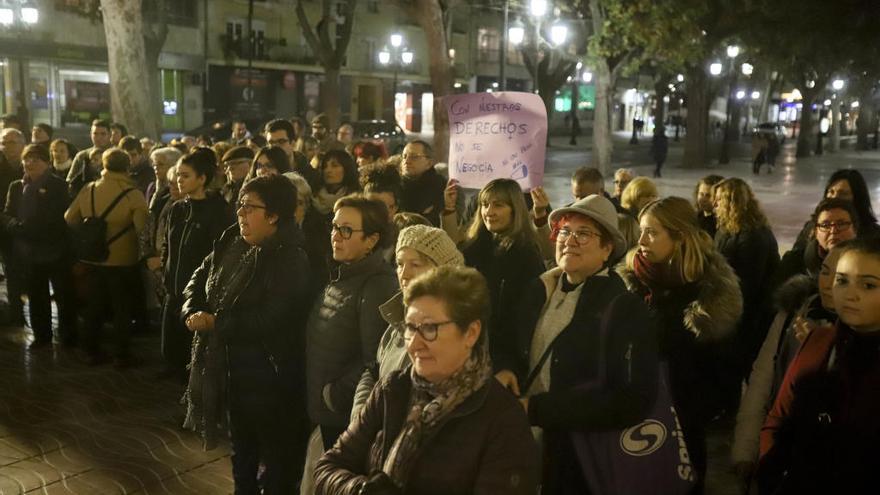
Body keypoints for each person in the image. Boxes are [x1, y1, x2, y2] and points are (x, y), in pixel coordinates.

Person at [314, 266, 538, 495]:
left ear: (471, 333)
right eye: (411, 328)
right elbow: (327, 468)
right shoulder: (393, 390)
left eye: (430, 328)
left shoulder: (503, 420)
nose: (413, 344)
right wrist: (360, 489)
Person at [496, 194, 658, 492]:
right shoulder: (538, 289)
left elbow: (632, 399)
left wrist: (538, 408)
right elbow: (509, 341)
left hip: (579, 459)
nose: (569, 240)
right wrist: (506, 367)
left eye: (583, 234)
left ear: (607, 249)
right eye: (565, 231)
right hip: (523, 448)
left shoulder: (623, 307)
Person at [182, 175, 312, 493]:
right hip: (233, 370)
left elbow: (270, 318)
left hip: (269, 376)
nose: (240, 213)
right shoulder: (232, 241)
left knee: (274, 461)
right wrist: (190, 308)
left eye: (250, 207)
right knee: (241, 454)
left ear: (274, 215)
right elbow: (200, 277)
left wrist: (215, 323)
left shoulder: (290, 258)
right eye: (240, 204)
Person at [618, 197, 742, 490]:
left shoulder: (709, 295)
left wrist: (691, 408)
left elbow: (722, 369)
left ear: (680, 236)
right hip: (632, 413)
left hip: (683, 420)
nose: (642, 240)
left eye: (652, 232)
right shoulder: (631, 280)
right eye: (641, 231)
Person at [758, 238, 880, 494]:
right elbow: (779, 414)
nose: (850, 294)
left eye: (868, 285)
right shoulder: (819, 340)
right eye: (842, 280)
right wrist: (771, 469)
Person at [732, 245, 841, 490]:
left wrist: (821, 350)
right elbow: (763, 381)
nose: (830, 282)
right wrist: (747, 449)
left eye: (844, 277)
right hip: (783, 460)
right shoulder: (795, 312)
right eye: (825, 271)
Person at [306, 194, 398, 450]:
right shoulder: (343, 273)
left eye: (346, 230)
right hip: (323, 408)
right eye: (334, 226)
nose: (335, 235)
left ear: (371, 240)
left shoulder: (377, 284)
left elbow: (375, 360)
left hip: (343, 415)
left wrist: (333, 396)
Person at [351, 224, 465, 420]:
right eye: (400, 264)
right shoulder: (397, 319)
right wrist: (360, 417)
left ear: (443, 270)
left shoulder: (453, 331)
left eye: (415, 265)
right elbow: (374, 372)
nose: (404, 274)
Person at [441, 178, 545, 368]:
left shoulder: (526, 254)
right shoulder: (472, 246)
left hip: (501, 357)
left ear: (515, 209)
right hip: (466, 348)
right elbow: (448, 256)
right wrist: (449, 210)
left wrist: (507, 364)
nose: (489, 212)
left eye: (498, 205)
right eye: (485, 204)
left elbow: (524, 318)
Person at [64, 148, 149, 367]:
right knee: (122, 308)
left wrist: (90, 232)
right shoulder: (133, 194)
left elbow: (69, 217)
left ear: (103, 165)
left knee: (94, 305)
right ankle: (122, 355)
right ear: (127, 167)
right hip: (123, 259)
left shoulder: (89, 189)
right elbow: (142, 229)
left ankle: (90, 350)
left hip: (93, 257)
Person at [159, 149, 234, 381]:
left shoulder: (218, 210)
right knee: (170, 344)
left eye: (186, 175)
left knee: (193, 348)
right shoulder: (177, 208)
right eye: (178, 175)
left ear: (202, 179)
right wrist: (164, 269)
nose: (179, 180)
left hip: (198, 291)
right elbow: (167, 244)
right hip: (173, 286)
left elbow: (219, 254)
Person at [3, 144, 75, 349]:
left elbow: (60, 216)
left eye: (36, 159)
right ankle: (42, 335)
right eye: (27, 159)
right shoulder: (16, 186)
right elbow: (7, 212)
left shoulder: (58, 185)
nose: (30, 163)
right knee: (36, 295)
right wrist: (14, 225)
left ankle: (68, 336)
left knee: (63, 295)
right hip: (27, 250)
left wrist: (33, 227)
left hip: (55, 249)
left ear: (47, 162)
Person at [713, 178, 780, 396]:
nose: (715, 204)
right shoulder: (727, 228)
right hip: (730, 308)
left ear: (732, 202)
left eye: (719, 199)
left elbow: (750, 283)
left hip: (749, 314)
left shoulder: (753, 235)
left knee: (740, 362)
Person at [773, 198, 859, 289]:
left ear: (855, 229)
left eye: (841, 224)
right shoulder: (793, 264)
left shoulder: (870, 263)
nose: (833, 231)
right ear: (816, 232)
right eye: (825, 225)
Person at [792, 169, 880, 249]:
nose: (834, 197)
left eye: (843, 194)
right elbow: (794, 258)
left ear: (858, 198)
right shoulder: (812, 227)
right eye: (831, 192)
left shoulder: (873, 236)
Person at [0, 128, 25, 324]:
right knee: (10, 268)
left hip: (24, 225)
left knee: (17, 269)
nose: (6, 147)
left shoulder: (30, 165)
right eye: (3, 142)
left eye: (11, 142)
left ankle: (18, 311)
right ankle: (14, 311)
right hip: (4, 224)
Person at [398, 140, 446, 227]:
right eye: (404, 156)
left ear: (429, 163)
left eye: (414, 157)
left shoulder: (441, 187)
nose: (407, 161)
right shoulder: (395, 185)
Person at [264, 118, 319, 189]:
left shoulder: (310, 175)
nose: (275, 147)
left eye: (281, 142)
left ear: (293, 144)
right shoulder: (261, 171)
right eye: (271, 143)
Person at [67, 119, 112, 198]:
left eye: (103, 134)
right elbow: (70, 180)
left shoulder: (116, 155)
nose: (99, 137)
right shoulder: (82, 156)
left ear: (109, 135)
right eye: (95, 134)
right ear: (91, 135)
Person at [312, 149, 360, 220]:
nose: (328, 170)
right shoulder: (313, 197)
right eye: (325, 166)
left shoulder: (355, 200)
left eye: (335, 166)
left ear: (347, 169)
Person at [618, 176, 658, 250]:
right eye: (646, 196)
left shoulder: (654, 220)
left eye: (653, 196)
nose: (651, 199)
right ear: (633, 198)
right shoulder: (625, 221)